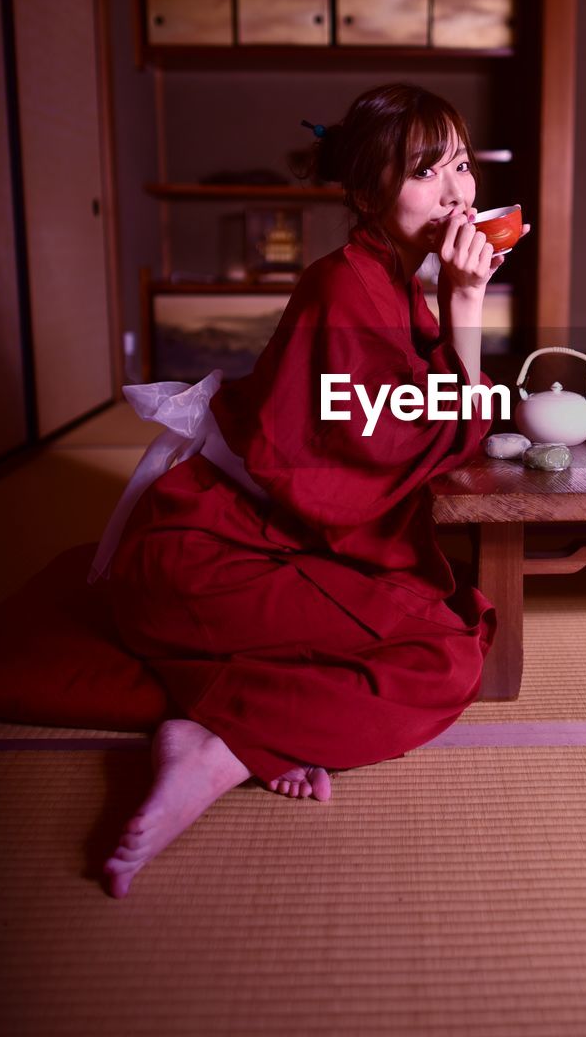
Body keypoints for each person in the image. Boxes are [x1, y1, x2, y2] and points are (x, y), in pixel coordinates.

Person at [101, 83, 529, 898]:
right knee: (444, 658)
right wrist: (469, 300)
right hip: (208, 561)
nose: (457, 190)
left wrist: (456, 301)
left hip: (269, 548)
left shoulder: (401, 278)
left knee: (443, 628)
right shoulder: (342, 286)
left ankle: (220, 736)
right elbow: (399, 439)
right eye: (425, 170)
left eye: (463, 164)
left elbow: (445, 414)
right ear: (366, 193)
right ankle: (222, 748)